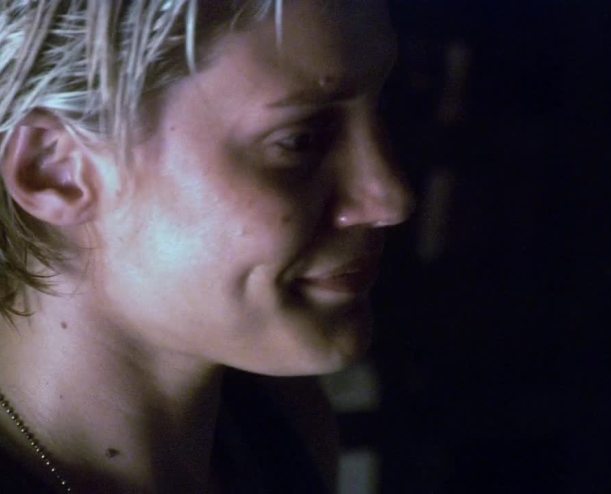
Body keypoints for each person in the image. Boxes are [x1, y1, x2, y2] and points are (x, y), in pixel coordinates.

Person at [0, 0, 412, 492]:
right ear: (54, 170)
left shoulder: (275, 419)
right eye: (300, 140)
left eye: (382, 107)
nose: (390, 198)